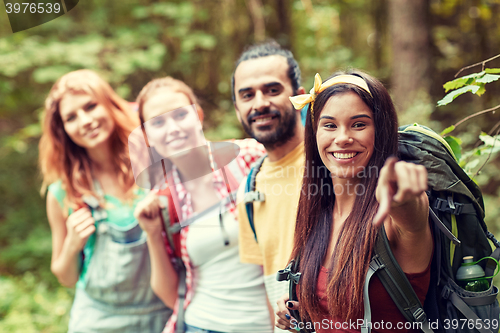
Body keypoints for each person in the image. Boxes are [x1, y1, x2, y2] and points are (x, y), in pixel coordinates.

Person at [275, 71, 433, 332]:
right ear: (314, 135)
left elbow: (412, 214)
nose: (342, 138)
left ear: (380, 131)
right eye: (329, 125)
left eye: (359, 124)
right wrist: (298, 308)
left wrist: (402, 194)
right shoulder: (317, 214)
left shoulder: (393, 218)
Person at [132, 76, 273, 333]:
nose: (172, 128)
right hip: (200, 325)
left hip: (268, 324)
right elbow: (170, 293)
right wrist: (152, 234)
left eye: (180, 115)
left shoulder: (248, 158)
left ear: (198, 114)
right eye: (158, 122)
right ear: (147, 136)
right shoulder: (161, 201)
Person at [39, 69, 171, 332]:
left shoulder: (156, 165)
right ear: (63, 130)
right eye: (71, 117)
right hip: (98, 320)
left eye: (90, 106)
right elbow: (66, 277)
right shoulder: (64, 193)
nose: (85, 121)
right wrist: (72, 245)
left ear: (109, 105)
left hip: (164, 313)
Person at [232, 40, 306, 326]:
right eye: (247, 95)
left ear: (299, 96)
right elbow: (269, 279)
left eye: (272, 90)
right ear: (238, 108)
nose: (260, 103)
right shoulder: (249, 187)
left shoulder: (334, 161)